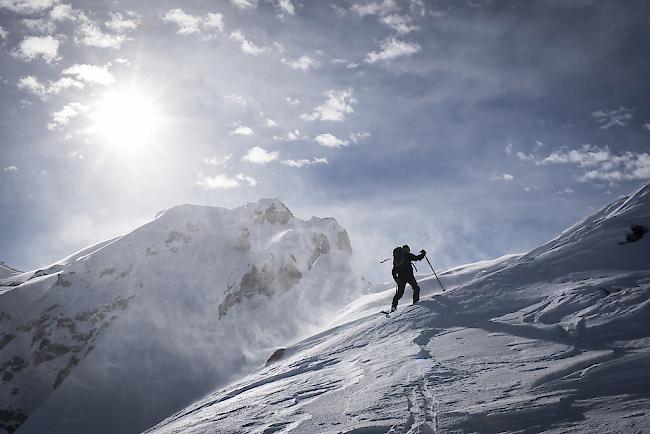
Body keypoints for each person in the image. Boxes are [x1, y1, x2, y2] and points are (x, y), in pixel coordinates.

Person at [391, 245, 426, 312]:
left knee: (399, 293)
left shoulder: (396, 258)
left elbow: (393, 271)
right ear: (407, 249)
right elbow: (417, 258)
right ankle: (416, 302)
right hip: (409, 276)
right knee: (415, 287)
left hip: (400, 278)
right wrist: (423, 253)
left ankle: (393, 306)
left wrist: (396, 280)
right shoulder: (407, 255)